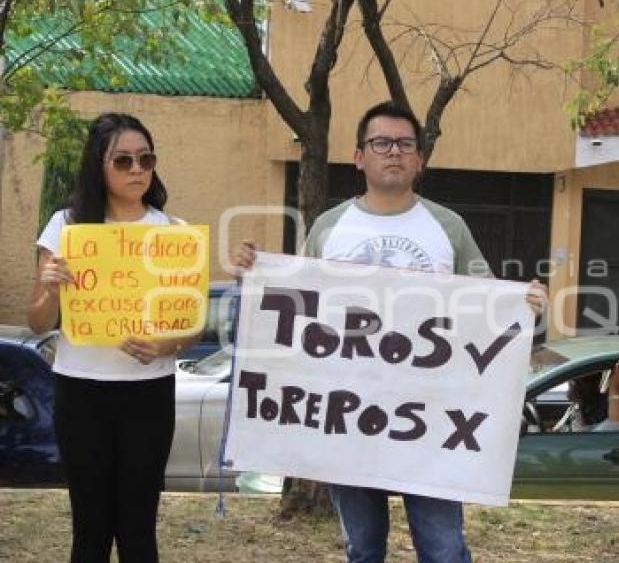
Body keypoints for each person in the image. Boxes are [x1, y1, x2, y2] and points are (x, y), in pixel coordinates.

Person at [233, 101, 547, 563]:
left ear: (419, 159)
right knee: (363, 550)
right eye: (381, 143)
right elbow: (302, 314)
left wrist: (526, 306)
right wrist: (256, 276)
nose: (393, 152)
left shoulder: (448, 228)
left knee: (443, 549)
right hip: (348, 419)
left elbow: (485, 308)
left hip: (431, 423)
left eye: (404, 144)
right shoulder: (329, 227)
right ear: (359, 156)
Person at [28, 113, 201, 563]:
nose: (137, 169)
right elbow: (37, 322)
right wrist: (50, 288)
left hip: (149, 392)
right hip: (80, 390)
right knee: (90, 528)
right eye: (123, 161)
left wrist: (166, 346)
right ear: (98, 165)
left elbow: (192, 323)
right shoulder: (67, 227)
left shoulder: (173, 233)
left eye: (146, 159)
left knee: (139, 527)